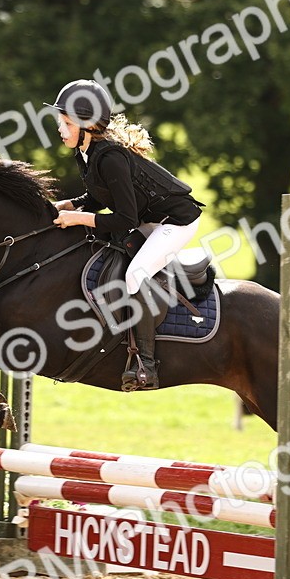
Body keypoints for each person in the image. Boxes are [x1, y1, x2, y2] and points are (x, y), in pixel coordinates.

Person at [49, 79, 203, 391]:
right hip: (152, 220)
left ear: (88, 125)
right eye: (60, 122)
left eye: (66, 123)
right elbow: (97, 198)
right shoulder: (86, 152)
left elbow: (125, 219)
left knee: (135, 275)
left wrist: (76, 218)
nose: (60, 129)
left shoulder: (111, 158)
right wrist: (61, 206)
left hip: (176, 222)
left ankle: (146, 365)